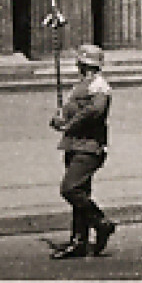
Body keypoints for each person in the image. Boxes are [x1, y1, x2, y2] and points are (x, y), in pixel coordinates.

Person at [49, 44, 117, 259]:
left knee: (70, 189)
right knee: (81, 193)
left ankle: (101, 223)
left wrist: (70, 125)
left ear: (86, 63)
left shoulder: (99, 87)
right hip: (74, 145)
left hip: (89, 146)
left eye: (79, 61)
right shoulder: (81, 85)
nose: (77, 65)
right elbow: (72, 111)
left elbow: (94, 112)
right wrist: (58, 119)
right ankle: (78, 241)